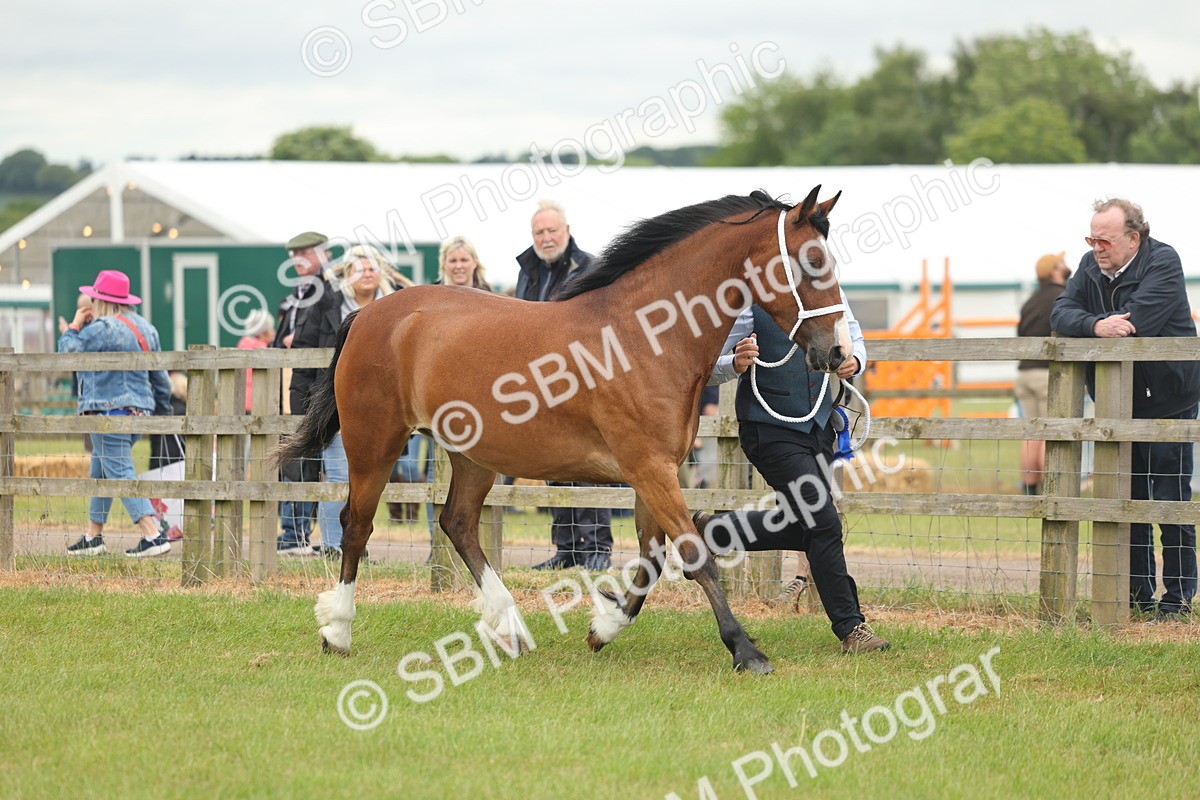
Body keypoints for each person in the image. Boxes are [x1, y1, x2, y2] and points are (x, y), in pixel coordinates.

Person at [691, 293, 891, 653]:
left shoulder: (826, 288)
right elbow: (705, 361)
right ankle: (851, 628)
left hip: (818, 426)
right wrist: (732, 363)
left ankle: (714, 532)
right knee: (824, 522)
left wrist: (856, 360)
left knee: (811, 527)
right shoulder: (747, 300)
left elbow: (852, 332)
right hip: (768, 428)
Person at [1051, 197, 1200, 619]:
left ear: (1133, 238)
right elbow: (1061, 312)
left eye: (1106, 240)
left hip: (1171, 400)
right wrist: (1096, 325)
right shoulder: (1088, 265)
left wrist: (1104, 322)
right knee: (1125, 499)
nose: (1097, 248)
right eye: (1092, 239)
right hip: (1118, 403)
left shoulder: (1163, 261)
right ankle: (1137, 596)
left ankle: (1177, 600)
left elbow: (1141, 320)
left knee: (1169, 501)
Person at [291, 244, 413, 556]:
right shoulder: (325, 304)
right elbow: (304, 352)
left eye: (372, 267)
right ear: (346, 274)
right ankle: (335, 545)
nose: (367, 273)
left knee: (372, 478)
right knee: (338, 473)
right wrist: (303, 405)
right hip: (338, 402)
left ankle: (357, 543)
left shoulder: (395, 304)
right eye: (359, 268)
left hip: (386, 406)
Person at [515, 200, 613, 571]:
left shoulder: (590, 266)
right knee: (555, 466)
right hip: (540, 384)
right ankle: (567, 549)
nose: (546, 237)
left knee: (592, 467)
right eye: (539, 232)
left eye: (552, 230)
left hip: (583, 379)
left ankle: (598, 549)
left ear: (567, 231)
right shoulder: (528, 271)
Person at [58, 269, 173, 558]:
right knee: (102, 469)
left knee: (119, 473)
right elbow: (160, 377)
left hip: (108, 411)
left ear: (99, 300)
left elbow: (68, 354)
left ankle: (152, 533)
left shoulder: (102, 328)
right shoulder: (146, 328)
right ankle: (93, 536)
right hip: (140, 410)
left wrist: (73, 325)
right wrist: (164, 410)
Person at [274, 231, 329, 554]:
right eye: (295, 255)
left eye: (306, 253)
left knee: (320, 463)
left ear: (323, 255)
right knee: (295, 458)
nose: (299, 260)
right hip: (294, 384)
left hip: (317, 385)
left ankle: (303, 534)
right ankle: (294, 533)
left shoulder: (328, 290)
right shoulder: (295, 294)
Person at [1015, 252, 1071, 495]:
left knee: (1031, 434)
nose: (1066, 266)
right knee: (1048, 432)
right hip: (1046, 373)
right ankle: (1051, 489)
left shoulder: (1030, 300)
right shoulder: (1061, 297)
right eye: (1062, 263)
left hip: (1024, 373)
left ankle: (1029, 488)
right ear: (1055, 271)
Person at [237, 308, 275, 413]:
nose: (273, 332)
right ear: (262, 333)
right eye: (271, 329)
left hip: (239, 397)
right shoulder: (263, 349)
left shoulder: (242, 344)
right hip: (259, 398)